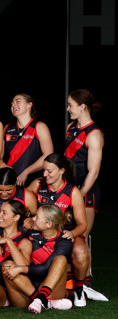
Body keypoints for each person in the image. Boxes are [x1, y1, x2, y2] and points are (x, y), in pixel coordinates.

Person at [27, 153, 90, 307]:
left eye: (49, 171)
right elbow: (22, 199)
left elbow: (83, 224)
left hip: (65, 234)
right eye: (44, 170)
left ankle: (79, 289)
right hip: (42, 233)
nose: (45, 174)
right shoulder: (37, 184)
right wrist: (28, 217)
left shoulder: (72, 192)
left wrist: (72, 233)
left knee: (81, 254)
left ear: (62, 171)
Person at [64, 89, 105, 300]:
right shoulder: (71, 128)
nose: (68, 108)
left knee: (82, 236)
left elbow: (93, 172)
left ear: (82, 106)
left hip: (85, 192)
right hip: (70, 190)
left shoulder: (94, 134)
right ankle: (75, 281)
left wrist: (79, 195)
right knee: (69, 236)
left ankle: (85, 285)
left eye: (71, 105)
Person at [2, 205, 74, 314]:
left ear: (49, 224)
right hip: (27, 287)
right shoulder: (31, 231)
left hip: (51, 287)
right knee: (7, 265)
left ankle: (41, 299)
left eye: (37, 217)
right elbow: (8, 227)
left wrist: (21, 269)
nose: (33, 219)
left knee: (61, 259)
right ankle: (44, 302)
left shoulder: (64, 242)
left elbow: (45, 269)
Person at [0, 93, 53, 186]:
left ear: (29, 105)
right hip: (10, 182)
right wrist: (3, 166)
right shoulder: (6, 128)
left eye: (17, 101)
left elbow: (48, 155)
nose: (13, 105)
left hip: (33, 181)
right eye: (12, 104)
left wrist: (26, 172)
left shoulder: (39, 126)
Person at [0, 167, 37, 231]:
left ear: (15, 184)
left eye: (8, 190)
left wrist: (31, 220)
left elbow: (35, 217)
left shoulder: (27, 196)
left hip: (17, 236)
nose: (4, 194)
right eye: (0, 190)